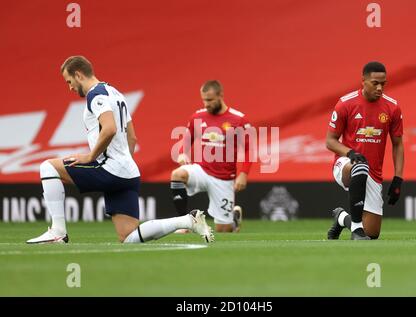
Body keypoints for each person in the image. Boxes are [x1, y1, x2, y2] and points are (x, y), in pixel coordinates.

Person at [27, 56, 214, 244]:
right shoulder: (115, 93)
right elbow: (132, 137)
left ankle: (58, 232)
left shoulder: (95, 94)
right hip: (128, 173)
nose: (70, 87)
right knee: (129, 237)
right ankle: (188, 220)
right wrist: (123, 165)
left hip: (110, 168)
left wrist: (90, 157)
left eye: (69, 81)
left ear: (78, 74)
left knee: (48, 167)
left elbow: (109, 129)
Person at [326, 61, 404, 240]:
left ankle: (341, 218)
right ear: (363, 81)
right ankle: (356, 232)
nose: (379, 88)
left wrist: (398, 178)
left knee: (372, 233)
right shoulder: (345, 104)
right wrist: (350, 153)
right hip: (346, 163)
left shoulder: (392, 108)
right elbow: (330, 141)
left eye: (383, 84)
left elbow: (398, 144)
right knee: (360, 166)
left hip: (374, 173)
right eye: (374, 83)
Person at [170, 80, 251, 233]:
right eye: (204, 100)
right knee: (177, 174)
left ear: (221, 95)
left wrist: (243, 174)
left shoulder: (238, 120)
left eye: (210, 100)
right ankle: (184, 223)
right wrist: (182, 152)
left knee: (223, 229)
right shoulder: (197, 117)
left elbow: (249, 150)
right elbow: (187, 139)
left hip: (224, 178)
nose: (206, 104)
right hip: (202, 170)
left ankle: (233, 219)